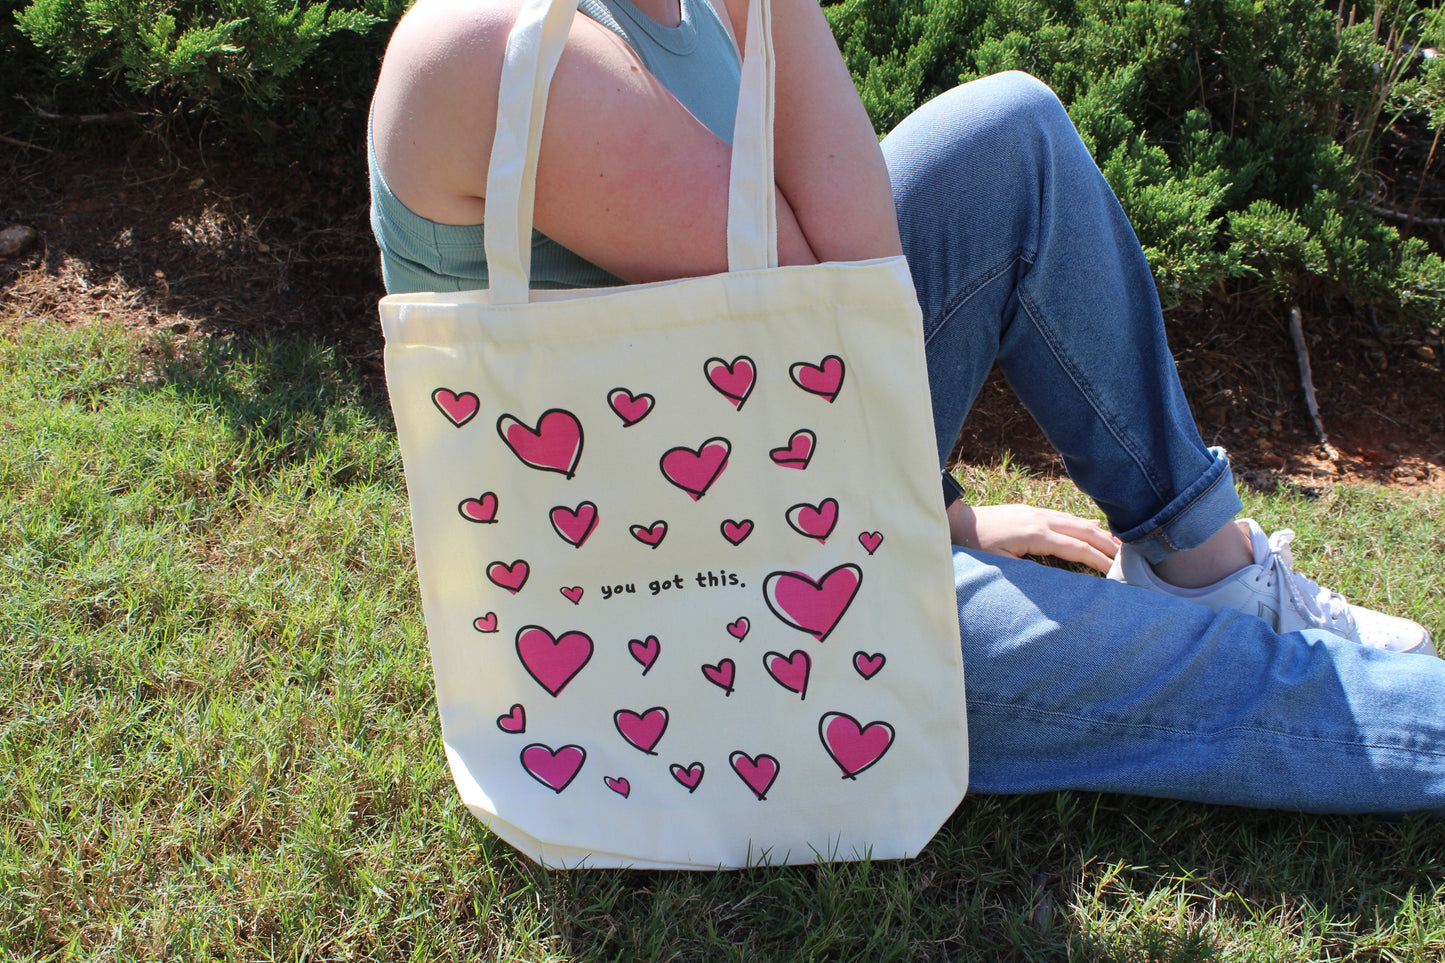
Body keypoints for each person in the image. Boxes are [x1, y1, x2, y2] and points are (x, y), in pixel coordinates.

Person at [369, 0, 1445, 813]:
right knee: (1187, 680)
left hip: (771, 498)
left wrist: (941, 522)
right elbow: (833, 335)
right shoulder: (501, 47)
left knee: (1007, 134)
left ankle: (1202, 567)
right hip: (670, 629)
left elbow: (794, 368)